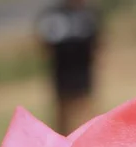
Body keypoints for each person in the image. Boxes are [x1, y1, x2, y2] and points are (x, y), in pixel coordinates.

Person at [36, 0, 101, 136]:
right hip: (62, 72)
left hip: (83, 71)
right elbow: (44, 43)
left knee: (86, 112)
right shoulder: (53, 15)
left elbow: (98, 41)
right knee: (62, 114)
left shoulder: (89, 14)